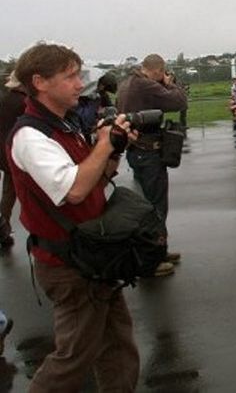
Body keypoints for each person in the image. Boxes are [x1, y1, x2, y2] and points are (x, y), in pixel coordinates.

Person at [7, 43, 139, 391]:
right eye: (70, 77)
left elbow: (99, 176)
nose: (80, 84)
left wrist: (115, 147)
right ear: (40, 82)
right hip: (69, 264)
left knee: (118, 348)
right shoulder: (31, 136)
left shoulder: (63, 125)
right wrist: (103, 144)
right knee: (72, 360)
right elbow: (74, 190)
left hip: (93, 256)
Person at [116, 53, 187, 276]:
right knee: (155, 206)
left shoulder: (127, 83)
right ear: (157, 70)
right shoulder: (145, 84)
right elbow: (179, 101)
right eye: (162, 73)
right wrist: (170, 84)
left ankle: (159, 250)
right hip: (148, 152)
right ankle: (151, 259)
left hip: (137, 150)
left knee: (149, 203)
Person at [0, 71, 27, 247]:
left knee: (8, 193)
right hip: (14, 152)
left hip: (3, 151)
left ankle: (3, 229)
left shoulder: (4, 100)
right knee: (15, 192)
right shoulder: (24, 103)